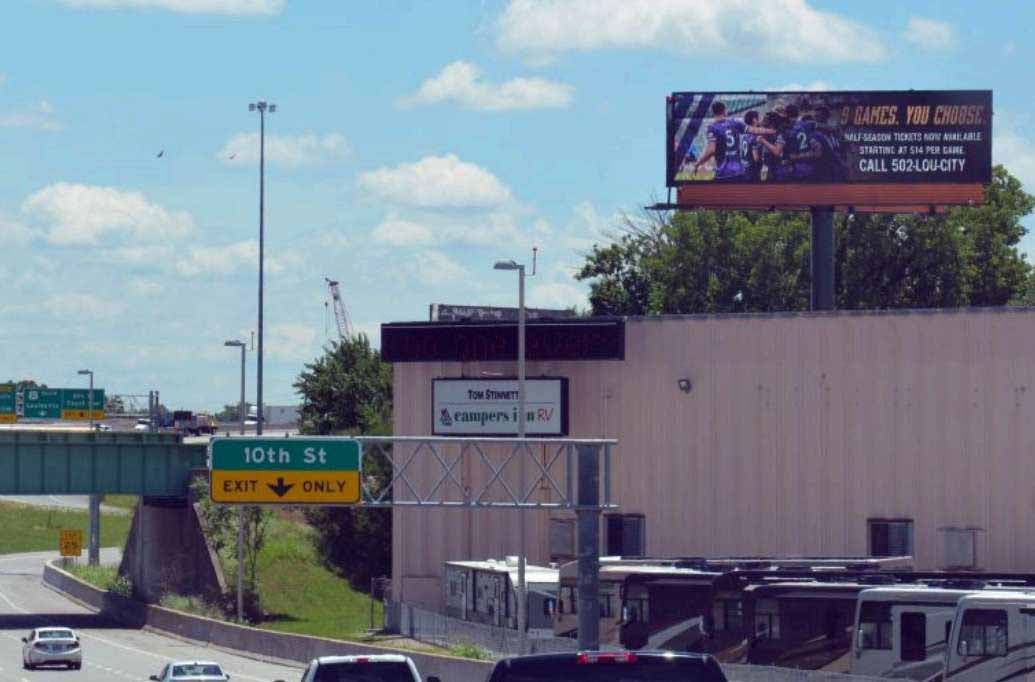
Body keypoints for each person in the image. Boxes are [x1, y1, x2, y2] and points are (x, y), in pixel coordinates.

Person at [693, 101, 773, 181]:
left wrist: (698, 163)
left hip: (723, 172)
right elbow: (755, 130)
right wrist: (772, 131)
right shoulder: (735, 123)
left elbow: (711, 150)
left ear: (713, 112)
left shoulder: (712, 128)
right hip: (739, 171)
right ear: (725, 111)